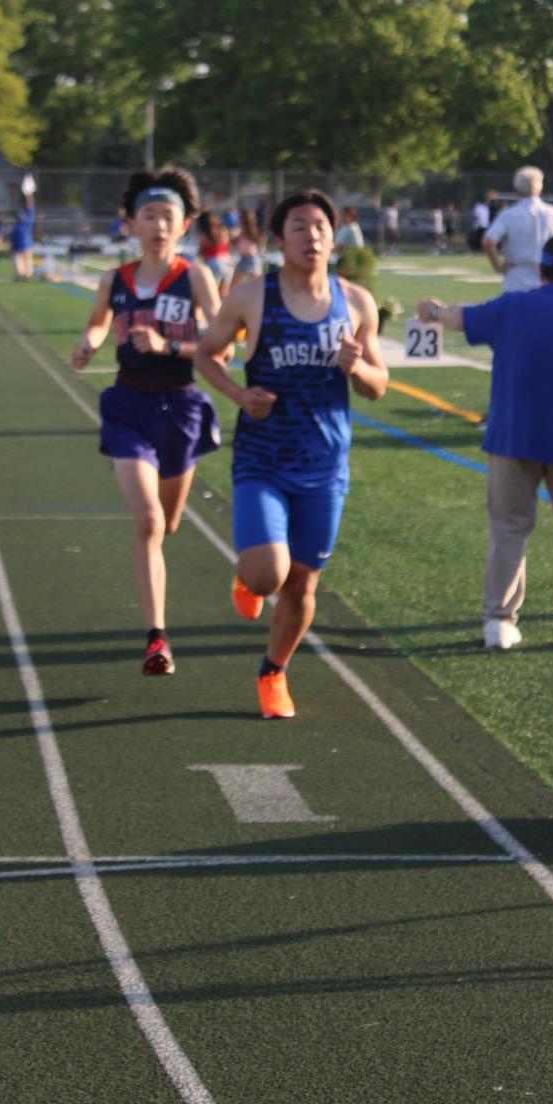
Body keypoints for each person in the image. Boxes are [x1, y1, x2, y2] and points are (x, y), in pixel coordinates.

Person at [195, 190, 389, 719]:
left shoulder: (356, 302)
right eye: (300, 227)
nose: (313, 236)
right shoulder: (252, 297)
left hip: (325, 466)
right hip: (263, 458)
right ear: (279, 240)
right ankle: (250, 573)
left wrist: (357, 367)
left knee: (303, 582)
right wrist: (239, 396)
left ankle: (273, 672)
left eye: (321, 226)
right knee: (268, 577)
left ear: (333, 236)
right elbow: (206, 355)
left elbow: (378, 385)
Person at [418, 234, 553, 650]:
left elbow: (460, 318)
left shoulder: (513, 306)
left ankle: (499, 622)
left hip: (512, 438)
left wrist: (432, 310)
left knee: (509, 530)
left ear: (540, 271)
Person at [71, 168, 222, 676]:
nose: (158, 225)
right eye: (149, 215)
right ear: (131, 223)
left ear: (184, 225)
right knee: (149, 522)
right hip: (129, 406)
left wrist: (168, 345)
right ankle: (157, 639)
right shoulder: (114, 280)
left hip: (180, 408)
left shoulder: (195, 277)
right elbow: (97, 323)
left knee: (169, 523)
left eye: (168, 216)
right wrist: (89, 343)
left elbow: (223, 345)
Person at [483, 167, 553, 292]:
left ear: (515, 189)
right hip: (549, 279)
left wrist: (498, 266)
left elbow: (488, 241)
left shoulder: (509, 215)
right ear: (540, 189)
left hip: (517, 280)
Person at [197, 209, 232, 297]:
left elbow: (200, 252)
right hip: (228, 261)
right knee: (224, 294)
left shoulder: (204, 235)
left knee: (213, 294)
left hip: (213, 263)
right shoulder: (223, 230)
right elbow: (227, 245)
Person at [231, 208, 264, 286]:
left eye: (240, 218)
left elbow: (259, 240)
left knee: (257, 283)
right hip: (243, 259)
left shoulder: (250, 230)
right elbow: (234, 242)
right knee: (233, 283)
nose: (238, 220)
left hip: (251, 258)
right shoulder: (238, 230)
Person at [10, 195, 36, 280]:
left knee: (25, 258)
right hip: (19, 240)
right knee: (19, 258)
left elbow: (30, 210)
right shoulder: (23, 213)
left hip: (25, 240)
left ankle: (25, 274)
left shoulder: (29, 214)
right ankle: (22, 274)